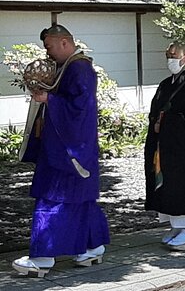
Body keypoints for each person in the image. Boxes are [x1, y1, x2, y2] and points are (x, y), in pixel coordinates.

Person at [13, 25, 109, 277]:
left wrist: (50, 100)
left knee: (51, 198)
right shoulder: (69, 67)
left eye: (50, 47)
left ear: (65, 42)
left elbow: (80, 108)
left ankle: (42, 258)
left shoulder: (78, 68)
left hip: (67, 151)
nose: (48, 52)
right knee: (81, 200)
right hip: (73, 148)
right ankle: (92, 247)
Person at [144, 43, 185, 250]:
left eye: (174, 55)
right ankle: (175, 226)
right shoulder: (165, 84)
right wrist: (157, 121)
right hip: (165, 147)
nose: (170, 59)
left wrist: (169, 121)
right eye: (168, 55)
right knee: (167, 185)